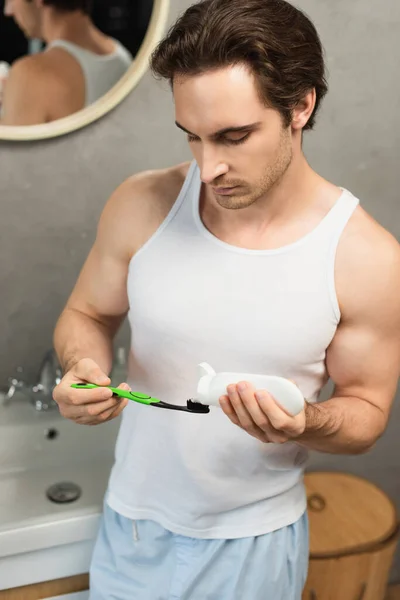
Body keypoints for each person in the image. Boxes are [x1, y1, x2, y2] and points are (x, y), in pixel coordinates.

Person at [52, 0, 400, 598]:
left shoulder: (365, 258)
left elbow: (367, 411)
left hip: (252, 549)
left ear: (301, 105)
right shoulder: (141, 204)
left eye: (233, 137)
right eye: (193, 137)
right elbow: (87, 314)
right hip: (130, 527)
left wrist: (305, 423)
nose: (208, 167)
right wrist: (84, 365)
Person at [1, 0, 132, 125]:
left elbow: (15, 147)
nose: (8, 11)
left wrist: (17, 93)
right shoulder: (123, 58)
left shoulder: (30, 74)